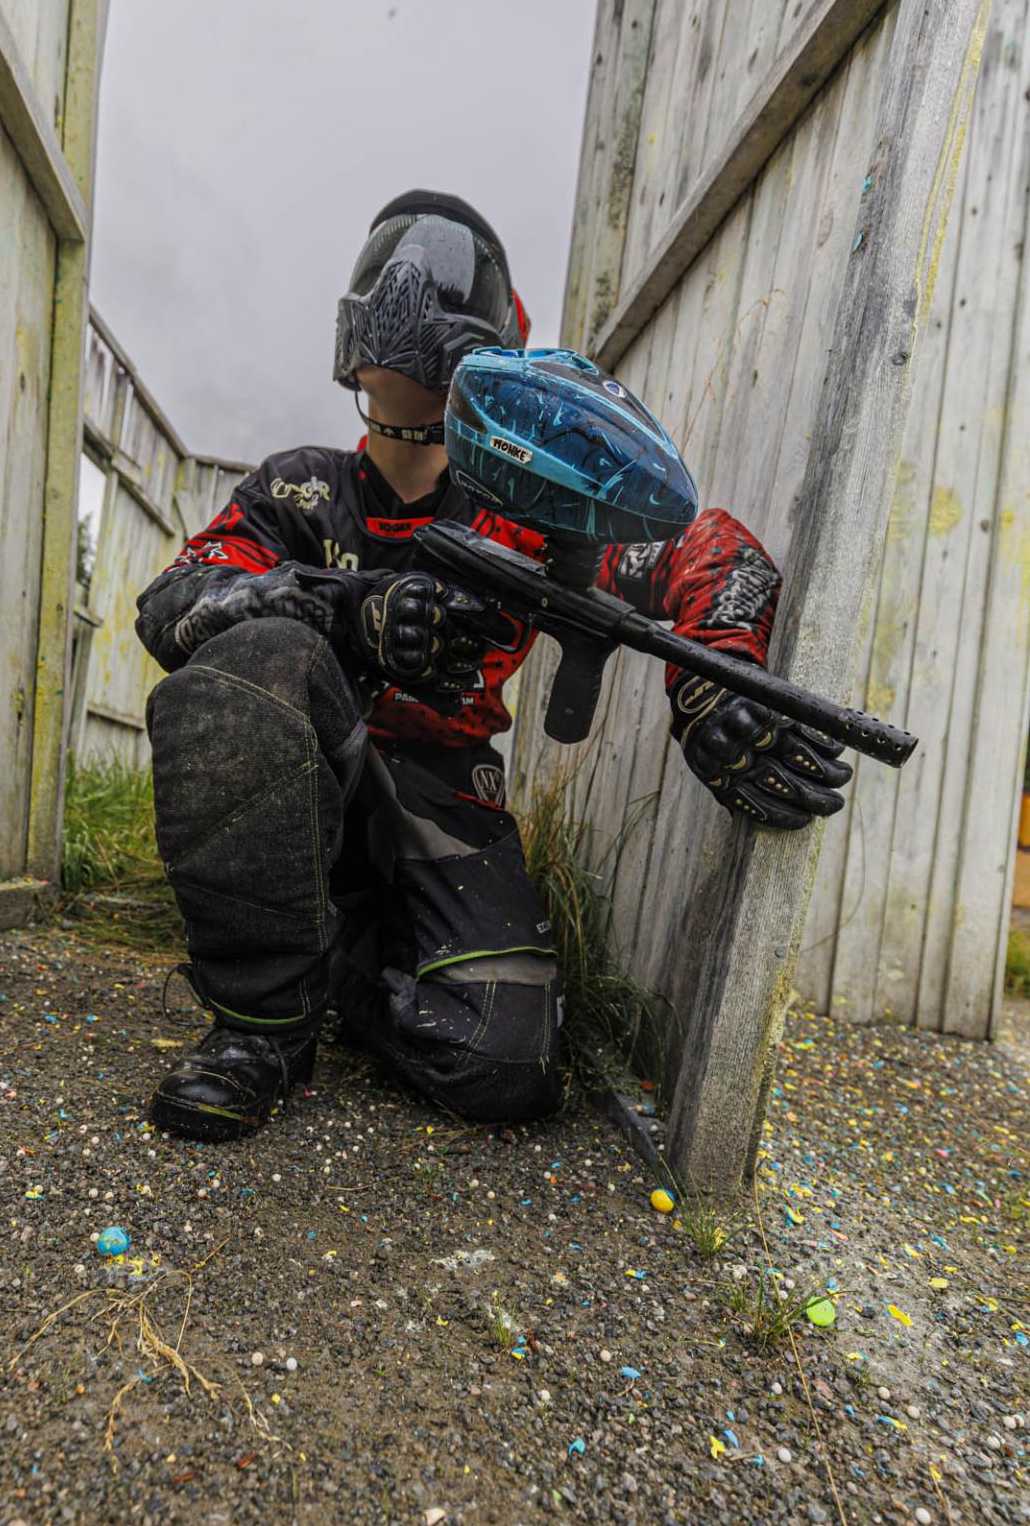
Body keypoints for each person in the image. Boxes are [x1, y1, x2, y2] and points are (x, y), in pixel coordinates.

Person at [134, 191, 850, 1141]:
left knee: (503, 1062)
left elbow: (709, 549)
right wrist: (352, 612)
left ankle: (334, 962)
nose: (410, 290)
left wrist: (714, 673)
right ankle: (258, 1029)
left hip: (442, 801)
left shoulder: (528, 509)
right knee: (247, 664)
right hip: (304, 777)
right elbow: (175, 606)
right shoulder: (298, 490)